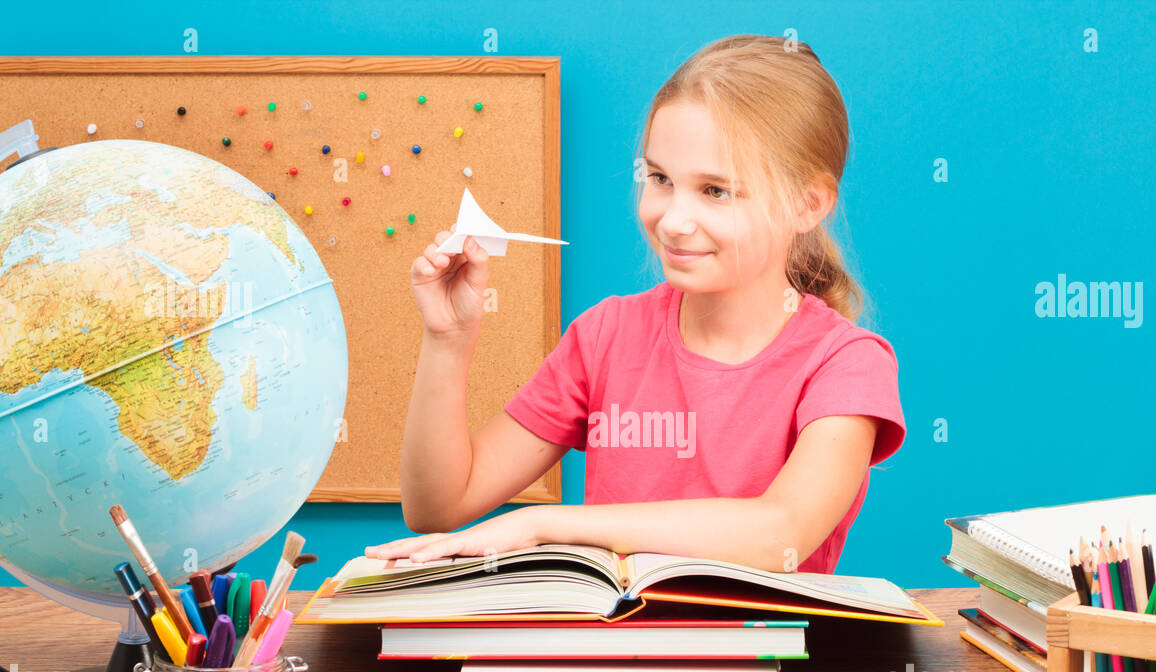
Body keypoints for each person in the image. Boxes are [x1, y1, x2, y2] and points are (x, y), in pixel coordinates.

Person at [366, 34, 905, 574]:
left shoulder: (847, 364)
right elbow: (437, 506)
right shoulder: (606, 336)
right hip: (608, 652)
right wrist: (448, 340)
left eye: (715, 190)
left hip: (762, 653)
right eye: (660, 179)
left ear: (807, 204)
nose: (671, 220)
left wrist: (542, 525)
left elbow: (779, 534)